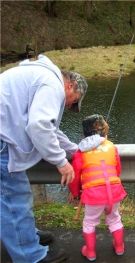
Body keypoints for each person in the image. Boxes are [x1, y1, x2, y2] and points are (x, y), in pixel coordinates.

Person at [0, 54, 88, 263]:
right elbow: (39, 126)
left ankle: (25, 235)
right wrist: (61, 162)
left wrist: (74, 150)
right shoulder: (52, 84)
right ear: (71, 85)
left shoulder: (41, 76)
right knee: (15, 201)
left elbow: (50, 129)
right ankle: (30, 256)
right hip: (2, 145)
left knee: (10, 200)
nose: (68, 107)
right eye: (73, 102)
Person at [68, 114, 127, 261]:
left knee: (89, 221)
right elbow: (117, 169)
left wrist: (75, 193)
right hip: (114, 191)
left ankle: (90, 252)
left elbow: (75, 176)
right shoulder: (111, 146)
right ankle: (119, 247)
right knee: (114, 218)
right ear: (103, 131)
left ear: (84, 133)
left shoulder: (80, 152)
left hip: (94, 194)